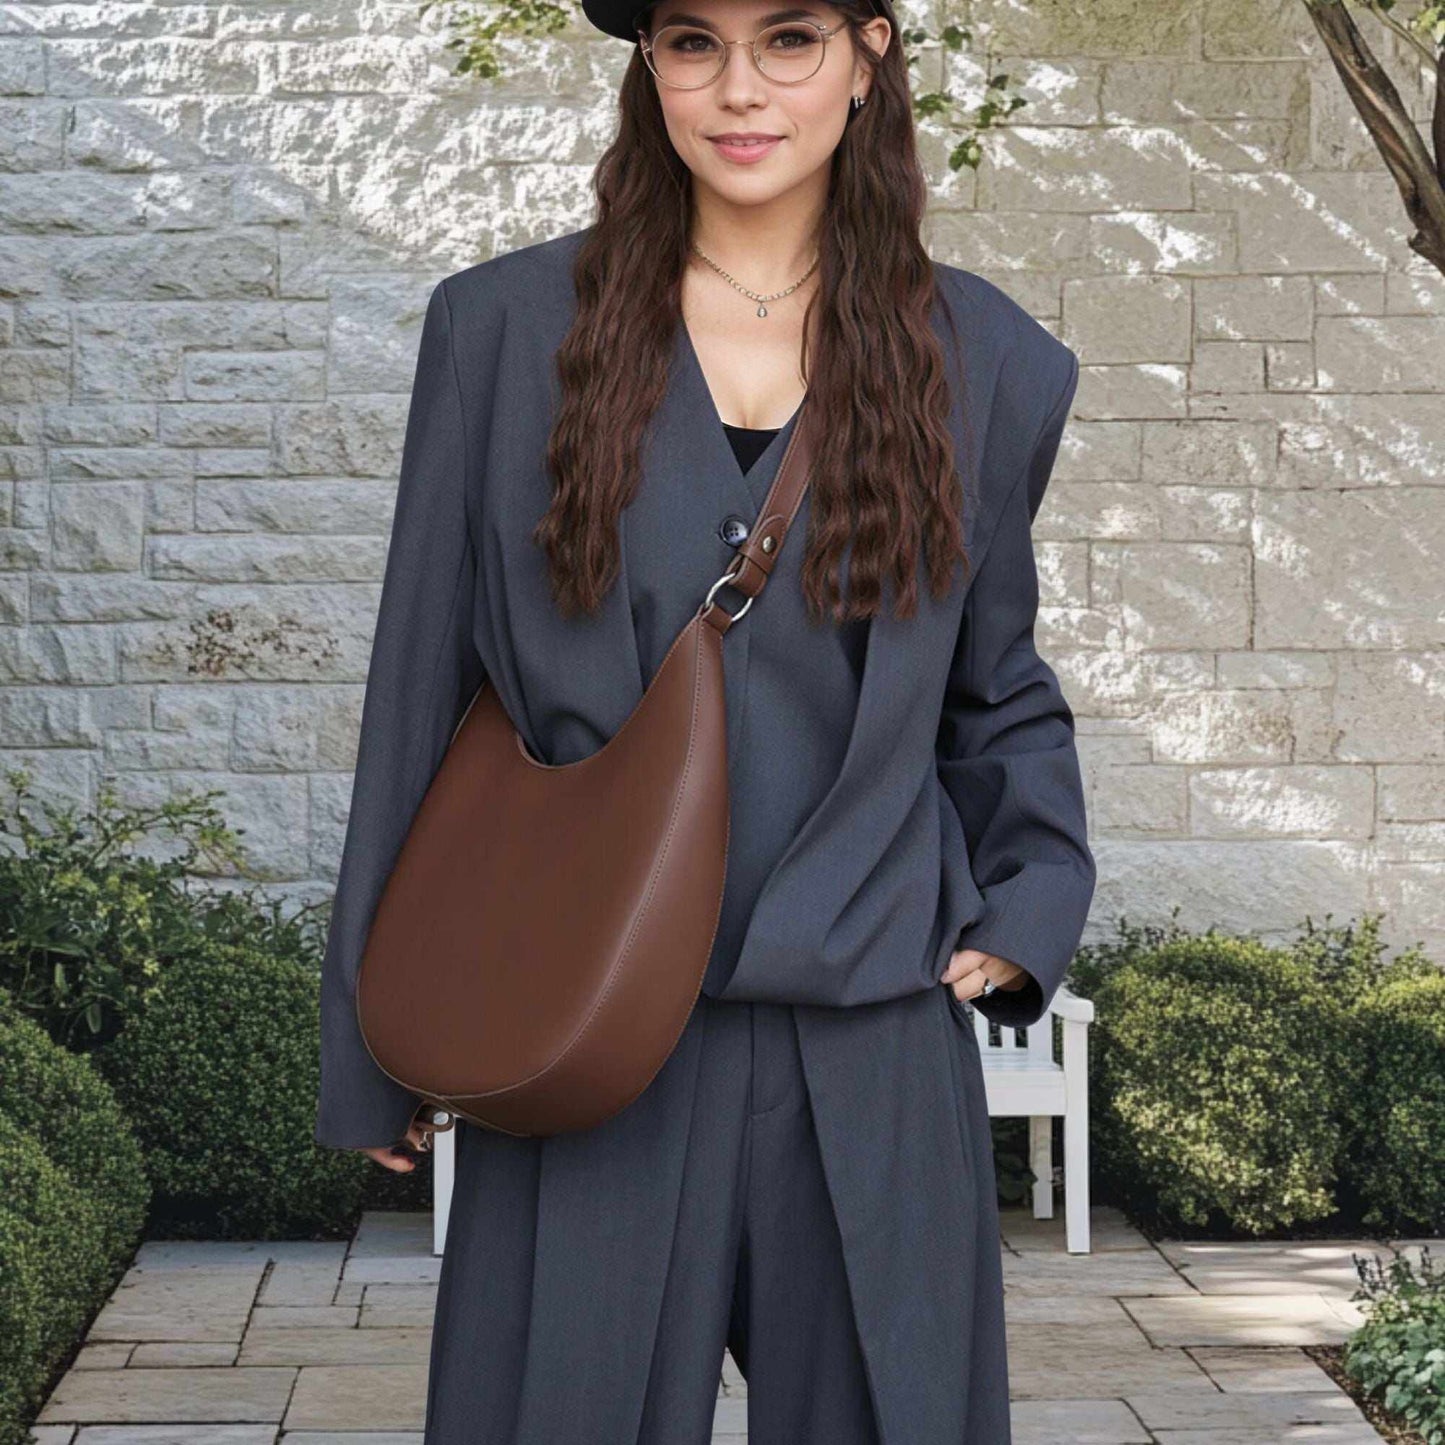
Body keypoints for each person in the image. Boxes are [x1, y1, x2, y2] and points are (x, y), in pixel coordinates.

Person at [314, 0, 1096, 1436]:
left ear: (867, 54)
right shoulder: (498, 333)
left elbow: (995, 684)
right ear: (650, 66)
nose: (737, 88)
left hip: (868, 1031)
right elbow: (419, 679)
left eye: (787, 39)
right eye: (691, 41)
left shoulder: (989, 360)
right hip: (583, 1028)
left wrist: (1035, 890)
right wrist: (371, 1026)